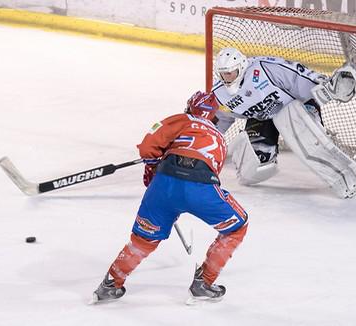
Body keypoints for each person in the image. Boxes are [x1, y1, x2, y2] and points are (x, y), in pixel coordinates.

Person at [91, 91, 248, 304]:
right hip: (200, 187)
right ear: (214, 117)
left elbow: (148, 148)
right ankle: (204, 283)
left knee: (144, 239)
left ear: (190, 108)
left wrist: (153, 168)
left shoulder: (181, 119)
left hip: (163, 186)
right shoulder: (220, 139)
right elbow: (212, 171)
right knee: (237, 226)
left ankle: (111, 284)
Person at [212, 47, 356, 198]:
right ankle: (265, 154)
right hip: (263, 118)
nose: (227, 78)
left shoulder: (266, 69)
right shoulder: (219, 93)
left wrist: (325, 87)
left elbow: (299, 77)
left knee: (305, 140)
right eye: (223, 74)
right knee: (256, 167)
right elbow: (220, 120)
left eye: (229, 73)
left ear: (241, 67)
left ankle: (347, 174)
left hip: (296, 107)